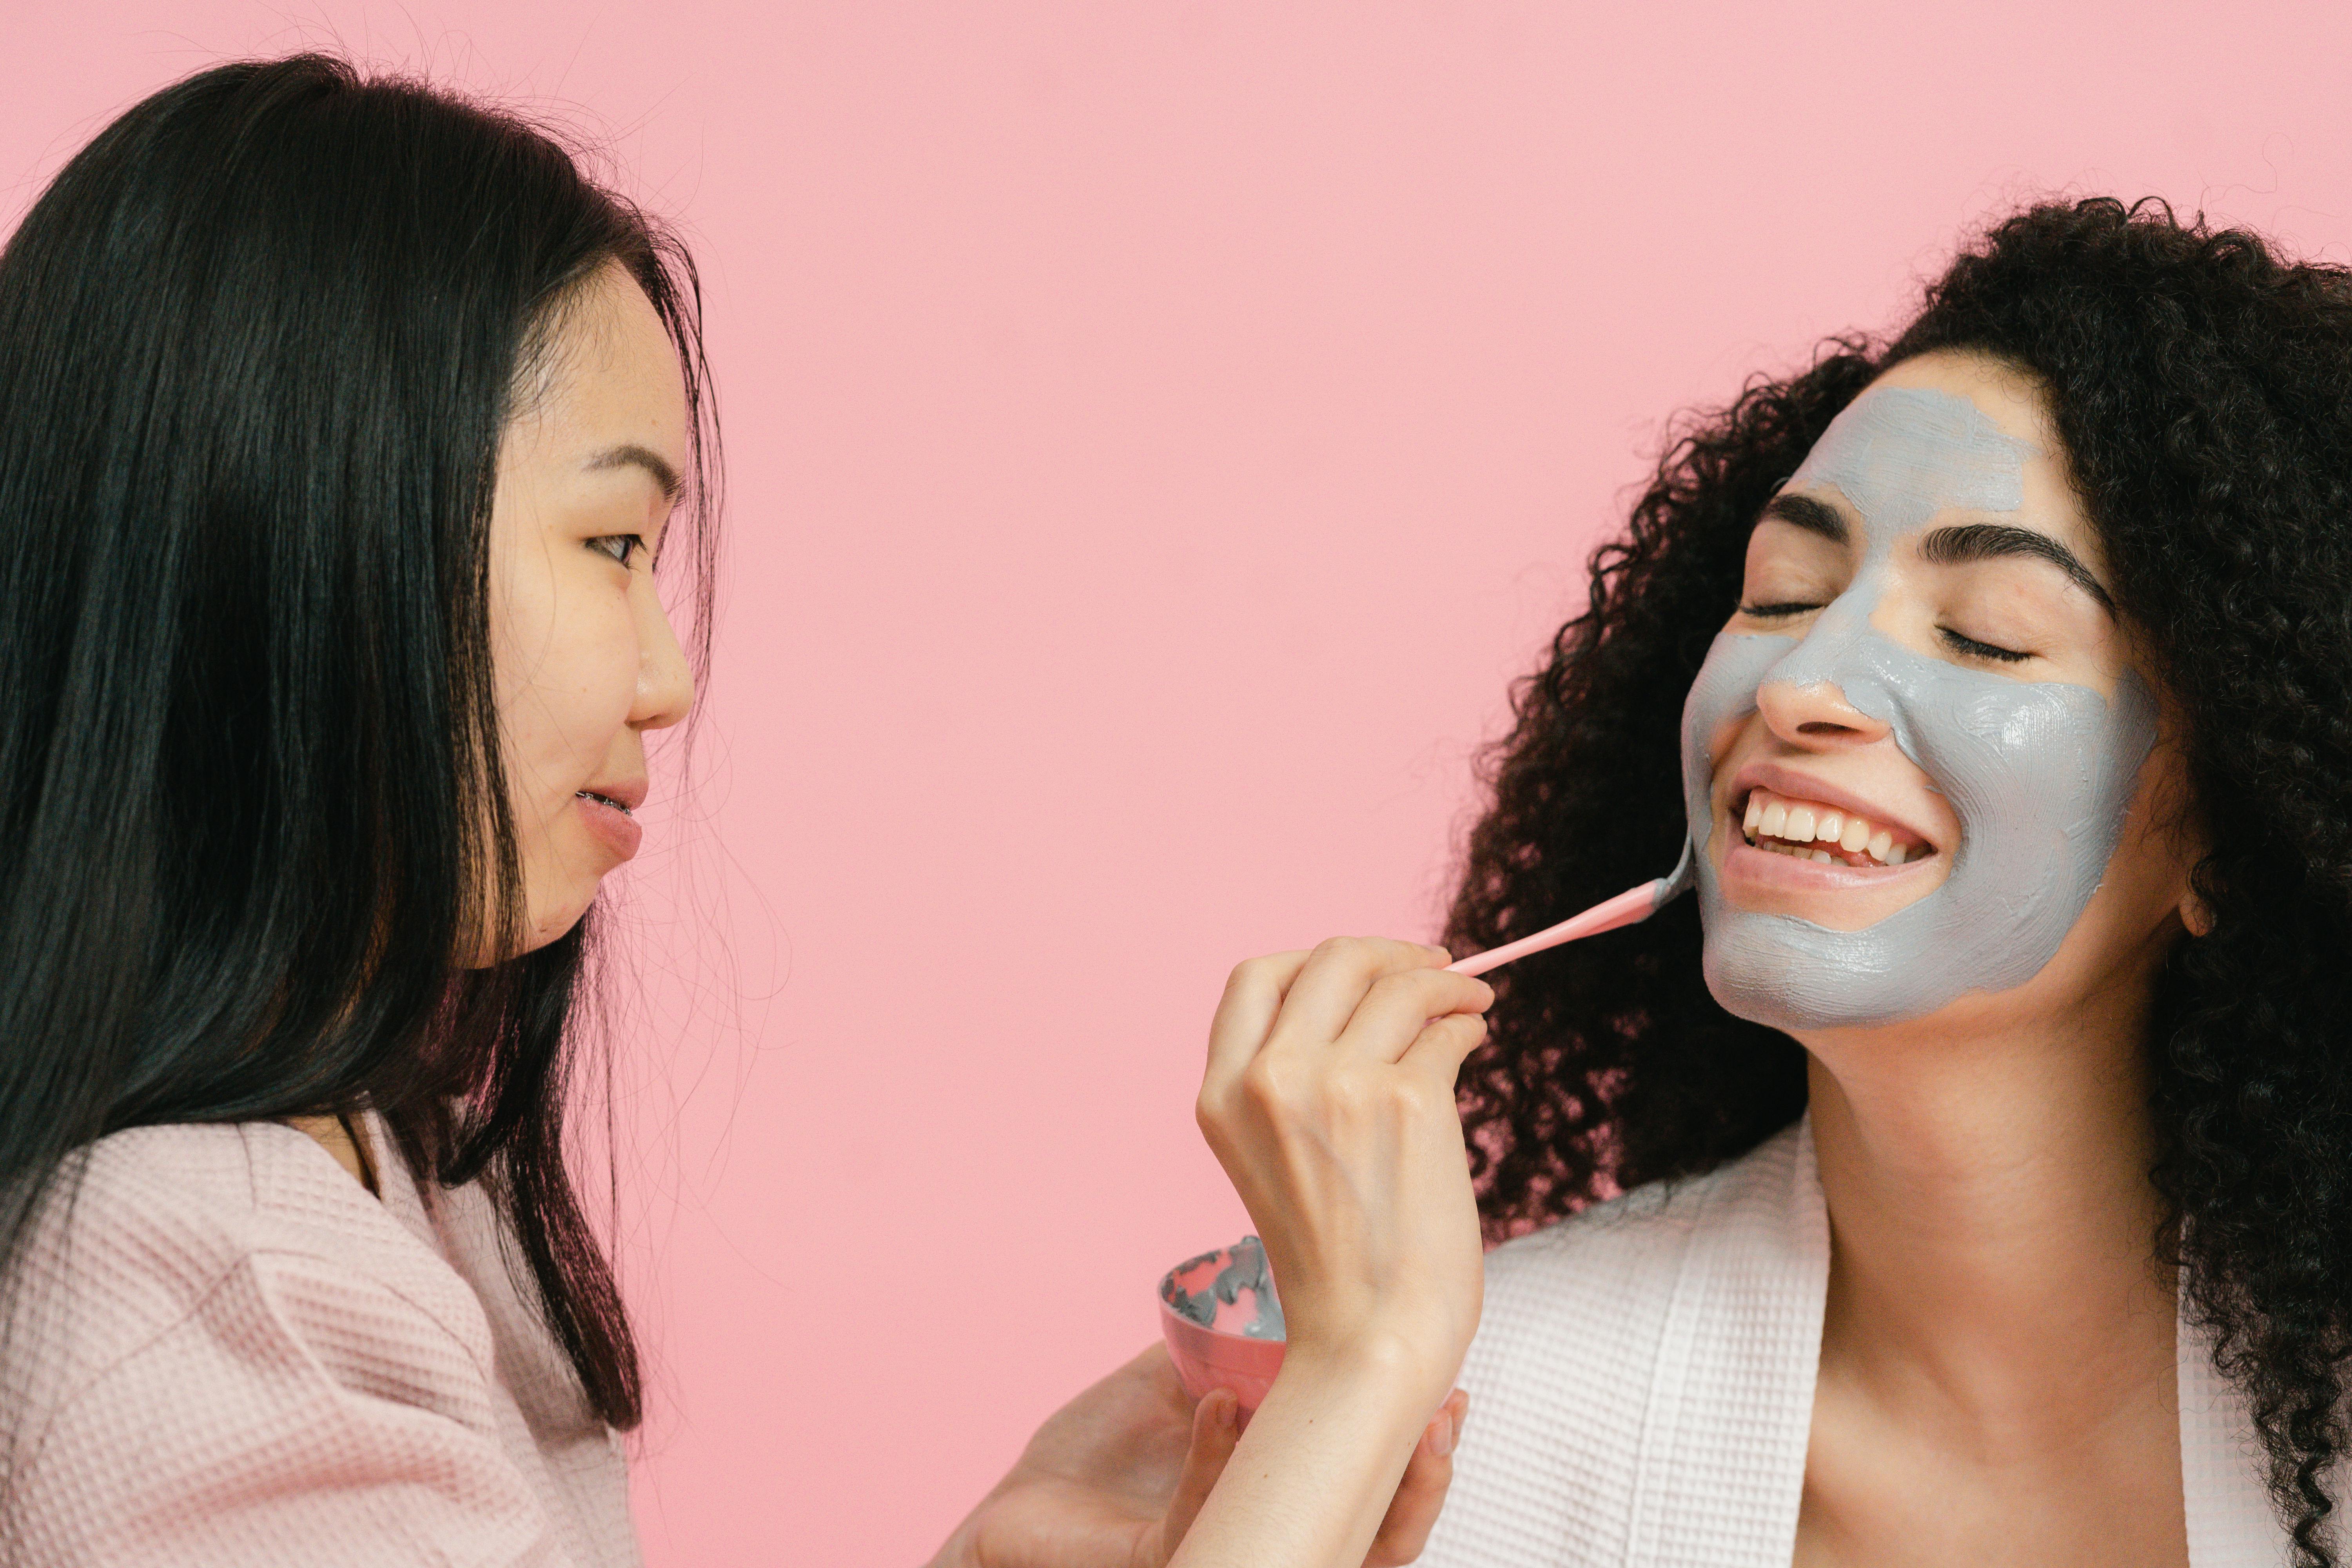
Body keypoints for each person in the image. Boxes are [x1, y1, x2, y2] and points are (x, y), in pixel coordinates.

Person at [0, 54, 1485, 1568]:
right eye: (610, 541)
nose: (667, 680)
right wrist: (1367, 1364)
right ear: (310, 525)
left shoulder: (401, 1161)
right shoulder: (206, 1282)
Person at [962, 199, 2352, 1568]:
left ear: (2233, 827)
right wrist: (1357, 1373)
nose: (1799, 685)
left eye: (1989, 636)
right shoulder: (1422, 1444)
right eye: (1784, 590)